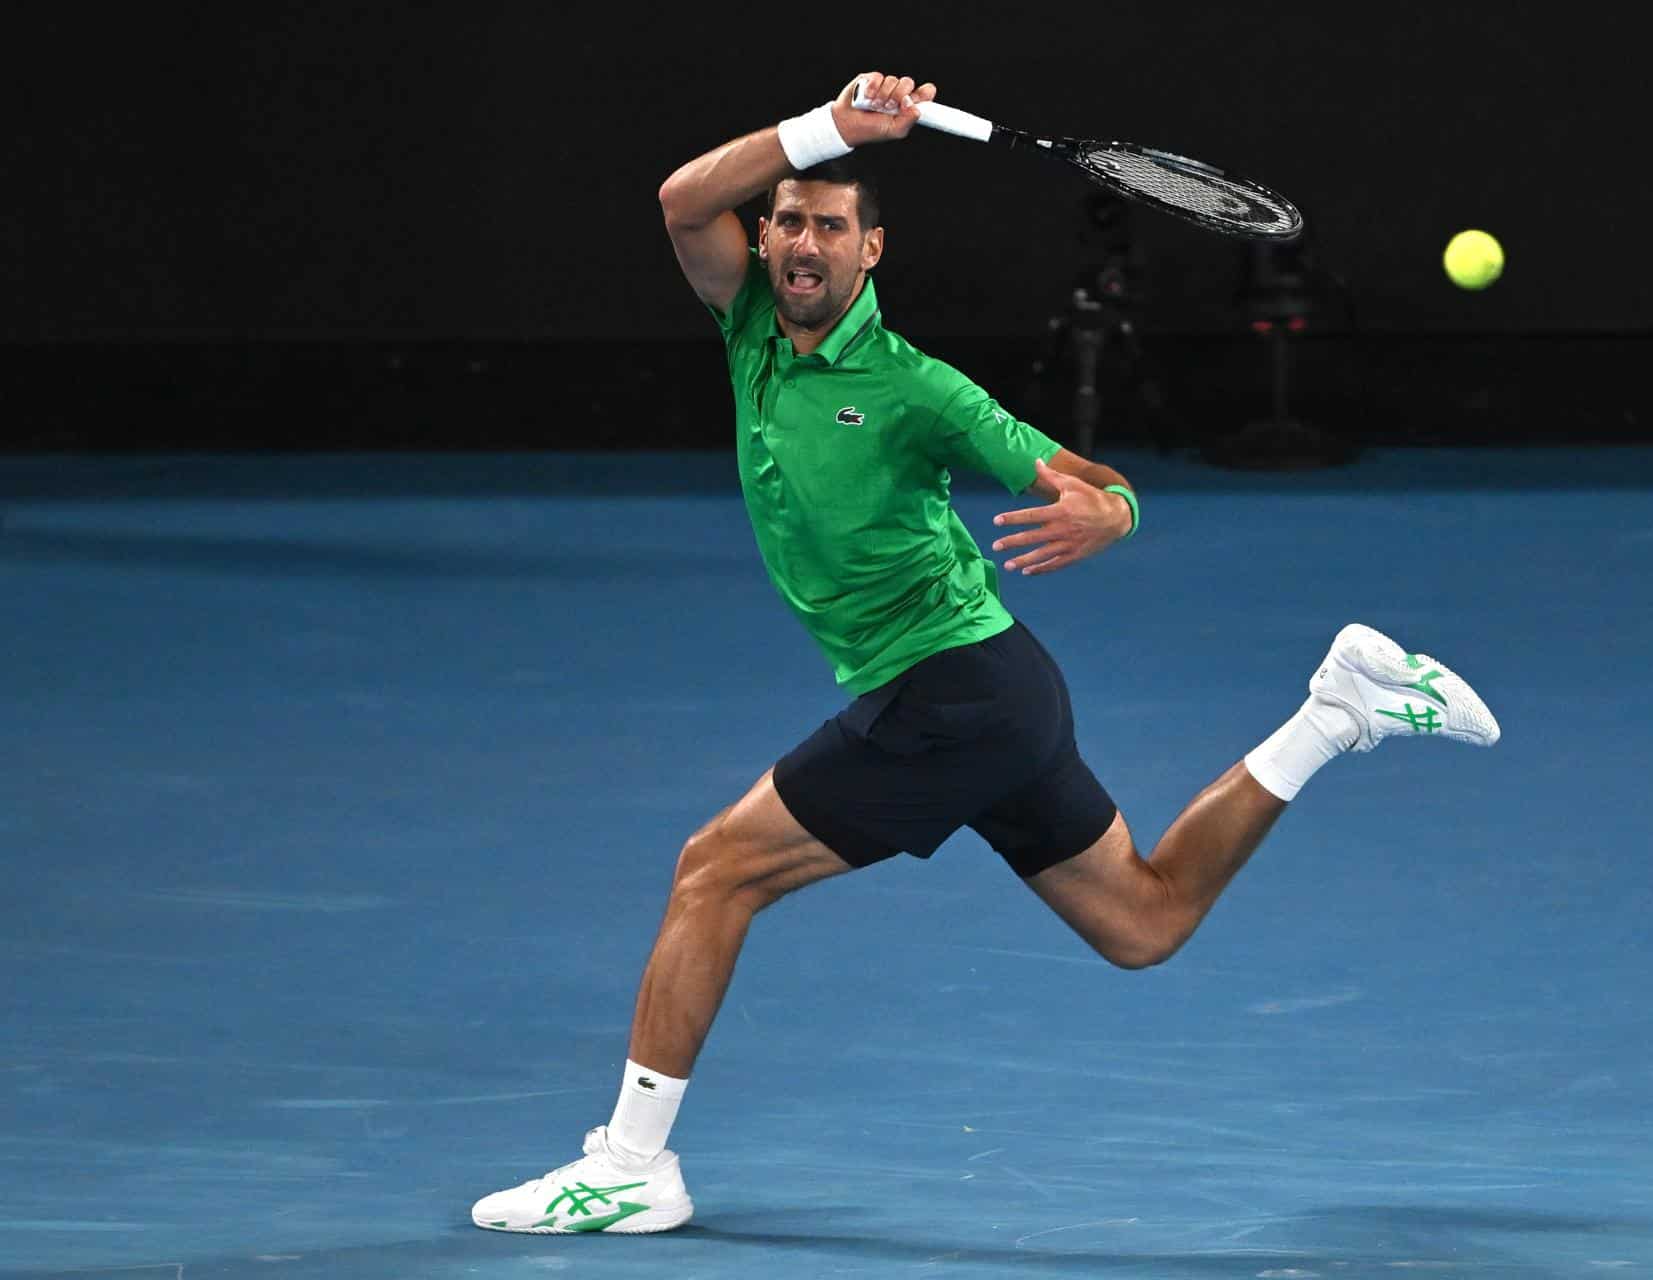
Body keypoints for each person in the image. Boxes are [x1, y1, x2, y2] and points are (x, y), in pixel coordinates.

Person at [471, 71, 1500, 1236]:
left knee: (715, 870)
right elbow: (677, 199)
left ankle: (629, 1161)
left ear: (872, 252)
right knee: (1144, 922)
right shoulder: (751, 320)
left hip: (949, 692)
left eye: (832, 225)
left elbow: (1097, 483)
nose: (805, 243)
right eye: (790, 221)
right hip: (996, 695)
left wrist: (1111, 513)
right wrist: (827, 129)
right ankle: (1344, 707)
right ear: (765, 239)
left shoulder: (918, 389)